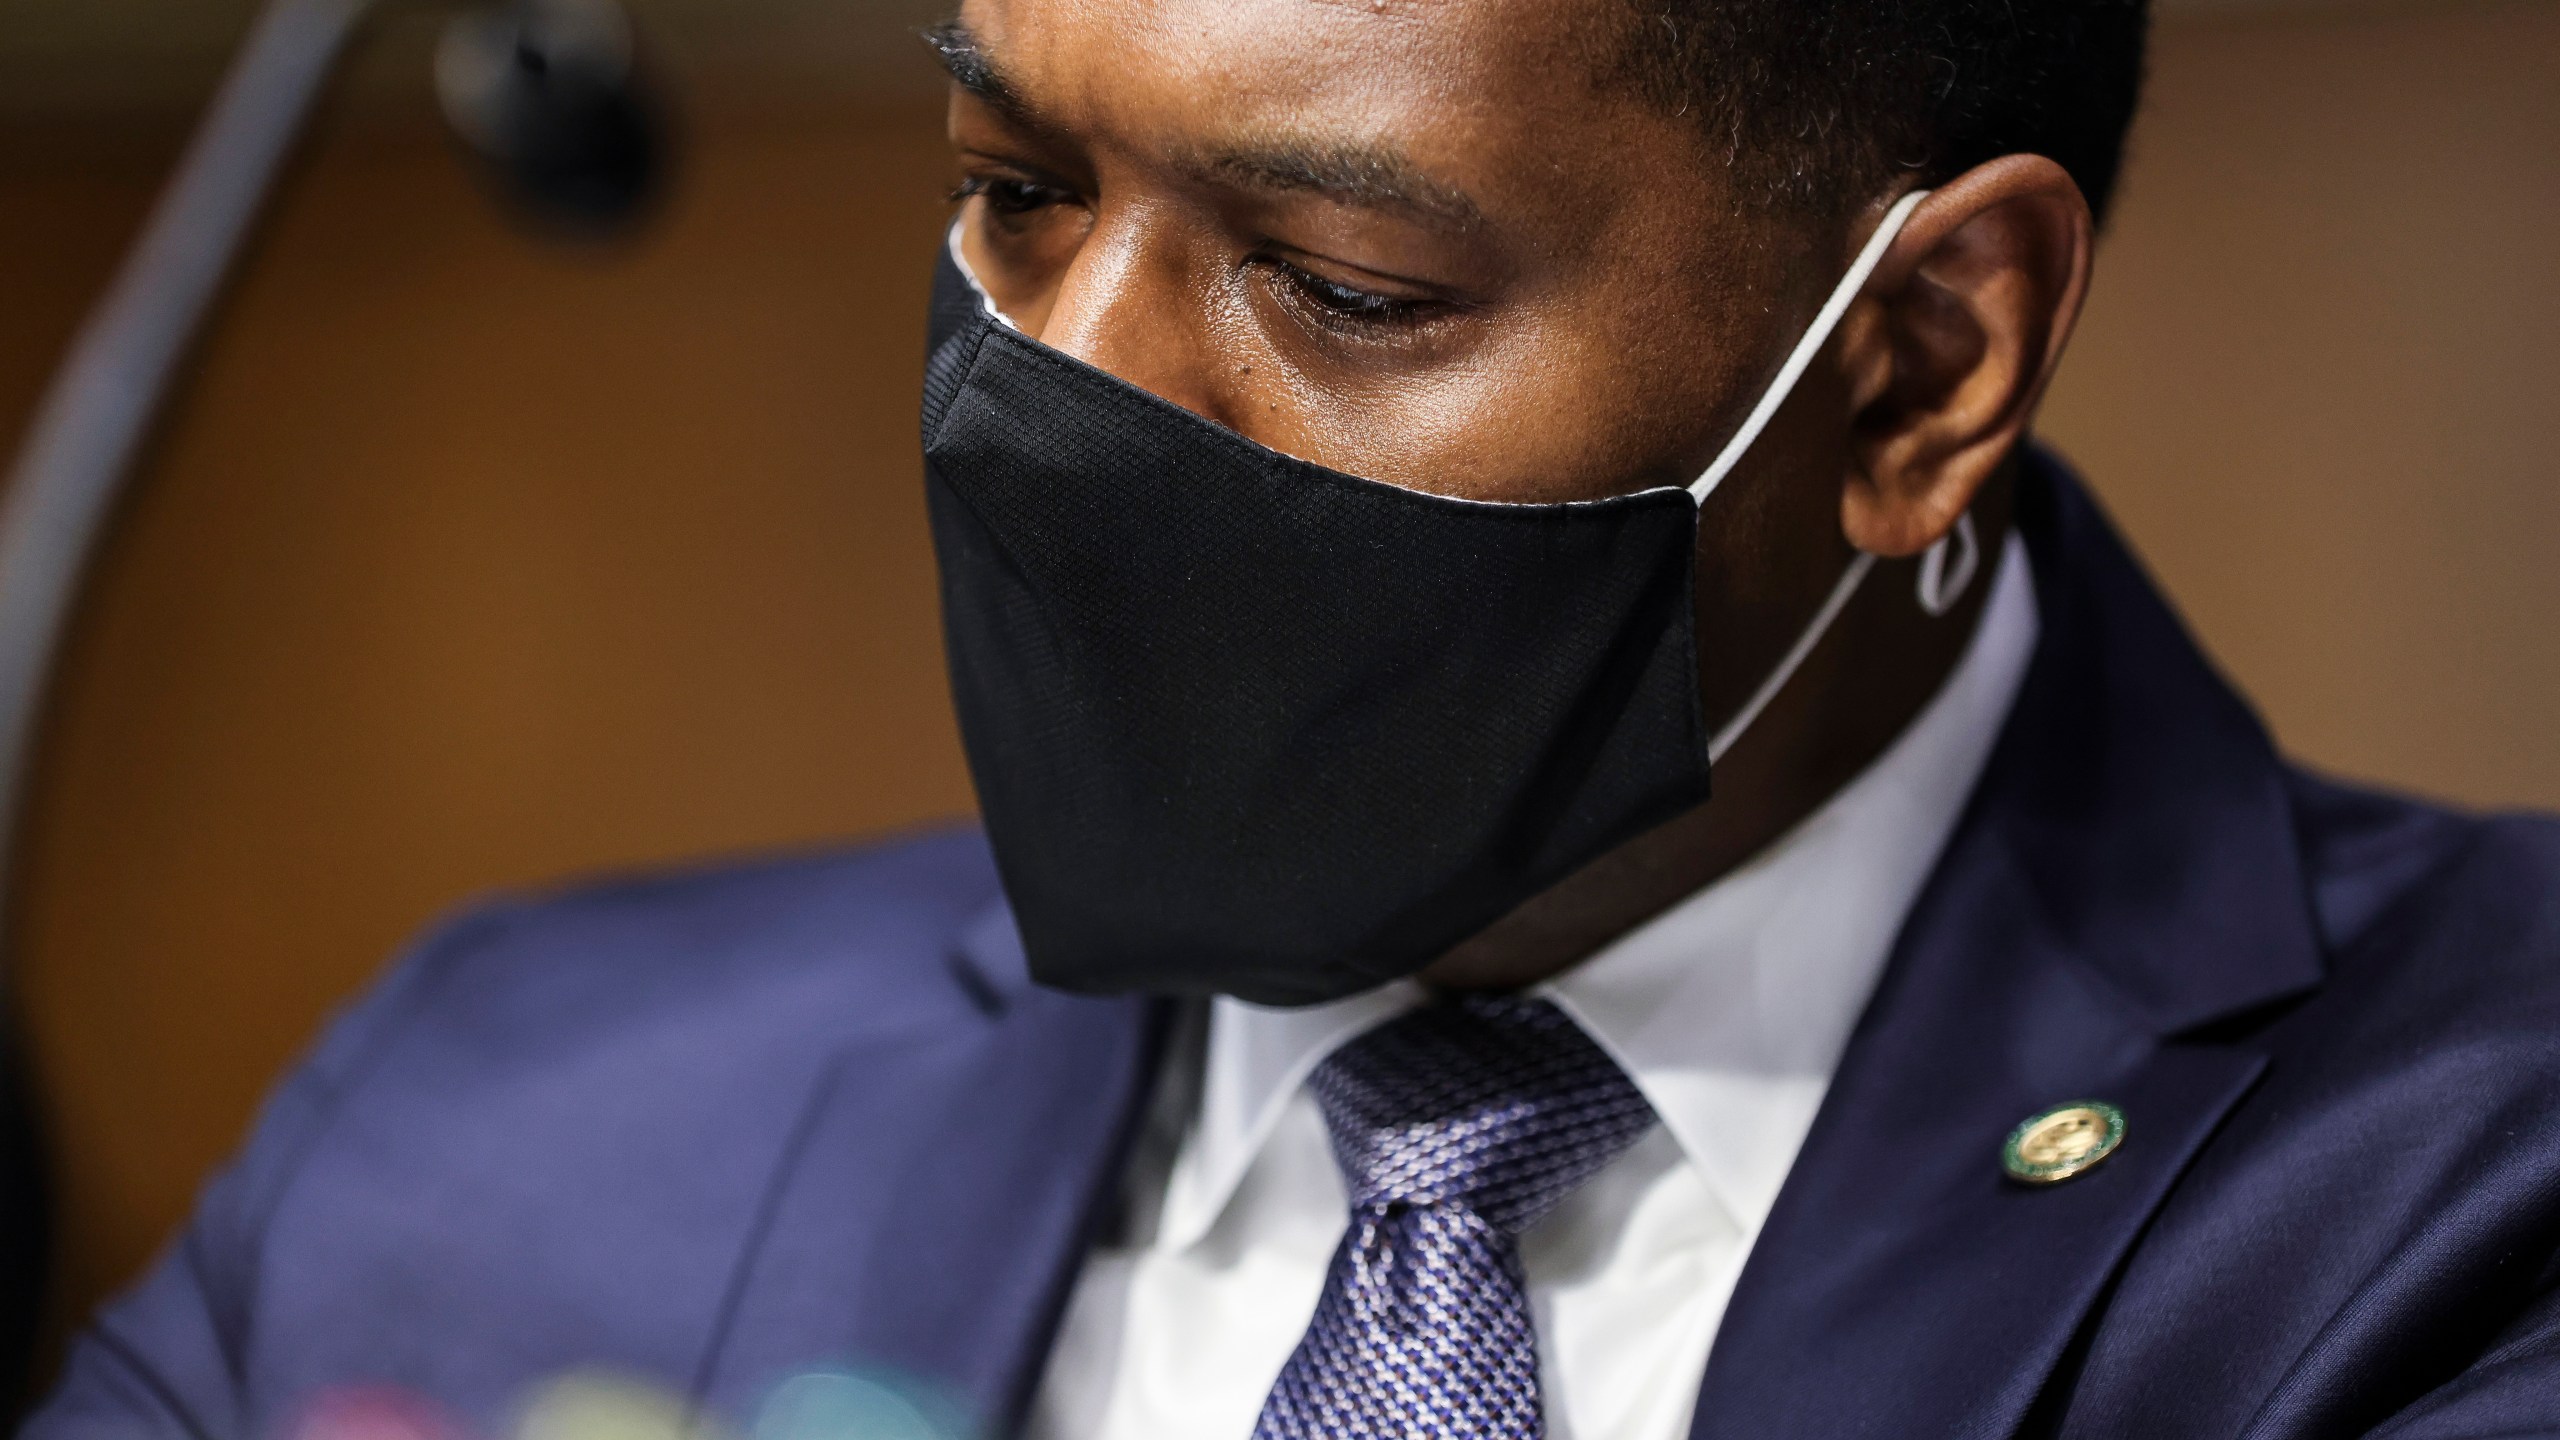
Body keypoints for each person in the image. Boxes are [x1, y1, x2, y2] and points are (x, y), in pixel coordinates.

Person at [24, 0, 2560, 1435]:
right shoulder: (483, 1125)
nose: (1056, 397)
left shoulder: (2467, 1192)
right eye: (1011, 190)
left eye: (1338, 283)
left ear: (1914, 366)